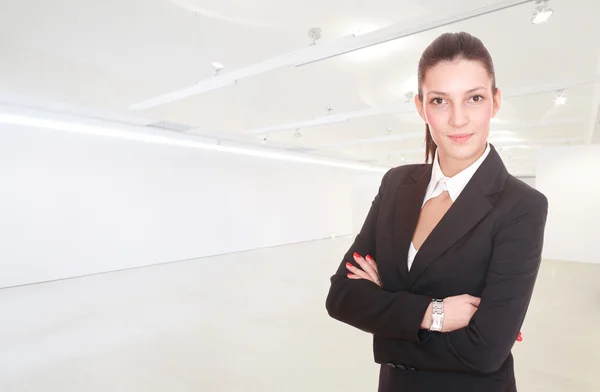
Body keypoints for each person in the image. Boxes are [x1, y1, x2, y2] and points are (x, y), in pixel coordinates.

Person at [325, 31, 548, 392]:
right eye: (440, 100)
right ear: (420, 107)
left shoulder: (522, 205)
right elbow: (341, 297)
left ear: (495, 101)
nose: (458, 119)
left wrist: (387, 325)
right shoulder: (396, 185)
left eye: (474, 98)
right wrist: (434, 314)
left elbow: (486, 350)